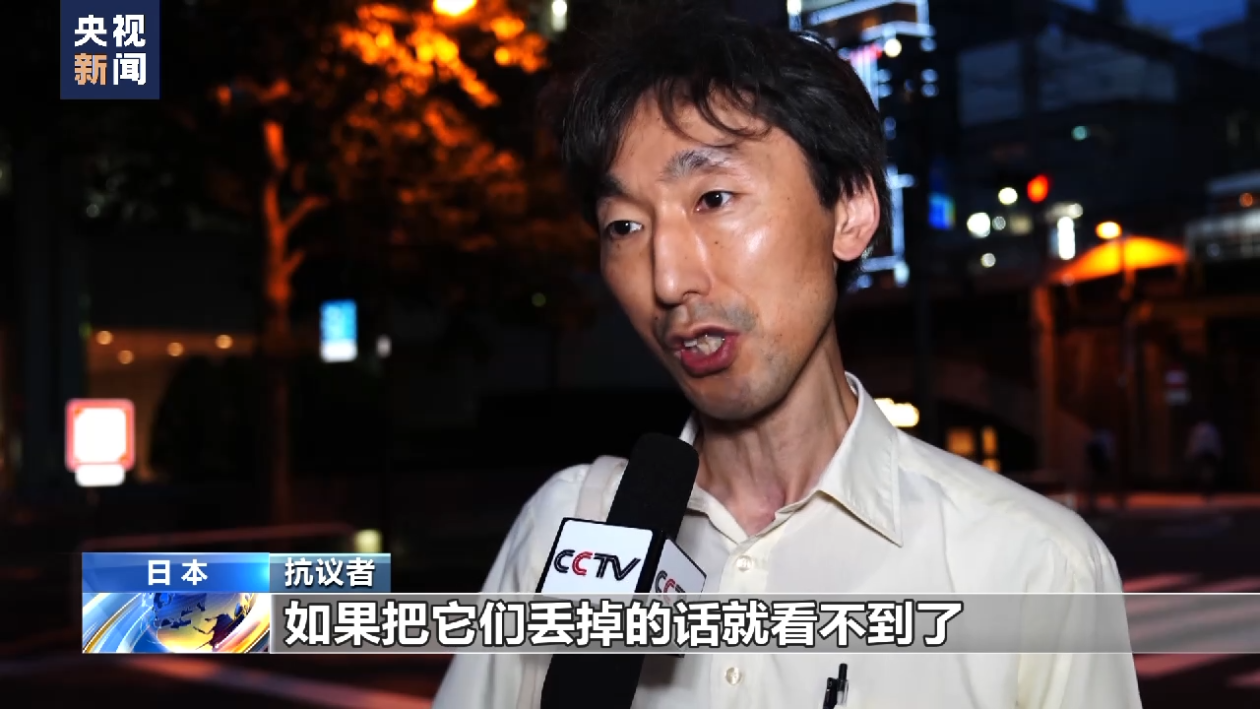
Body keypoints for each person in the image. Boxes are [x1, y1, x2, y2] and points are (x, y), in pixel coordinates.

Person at [433, 6, 1142, 708]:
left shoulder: (1034, 570)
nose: (668, 278)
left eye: (714, 197)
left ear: (852, 210)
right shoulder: (570, 528)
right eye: (623, 226)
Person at [1185, 418, 1224, 500]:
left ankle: (1205, 489)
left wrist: (1191, 452)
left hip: (1202, 452)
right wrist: (1218, 452)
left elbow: (1194, 442)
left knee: (1204, 472)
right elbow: (1215, 442)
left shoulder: (1198, 429)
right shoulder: (1211, 429)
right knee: (1208, 472)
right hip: (1208, 453)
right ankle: (1206, 489)